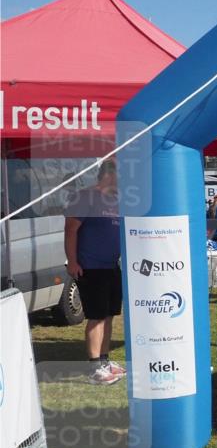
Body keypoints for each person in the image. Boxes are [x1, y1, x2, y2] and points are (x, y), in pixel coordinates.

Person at [64, 160, 125, 385]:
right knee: (96, 317)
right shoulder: (84, 197)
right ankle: (94, 368)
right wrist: (73, 261)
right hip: (90, 266)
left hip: (111, 266)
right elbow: (71, 230)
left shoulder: (116, 200)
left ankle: (105, 360)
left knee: (108, 316)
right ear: (110, 175)